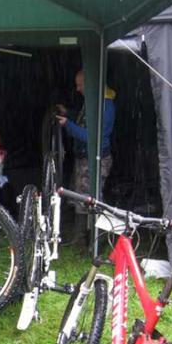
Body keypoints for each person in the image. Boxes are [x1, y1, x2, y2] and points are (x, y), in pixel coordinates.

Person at [56, 69, 116, 246]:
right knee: (80, 197)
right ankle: (81, 238)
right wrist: (68, 113)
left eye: (80, 85)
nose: (77, 89)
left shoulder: (105, 106)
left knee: (92, 200)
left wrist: (68, 125)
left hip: (96, 159)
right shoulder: (93, 101)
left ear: (91, 84)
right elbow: (84, 120)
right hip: (84, 158)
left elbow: (92, 137)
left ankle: (97, 240)